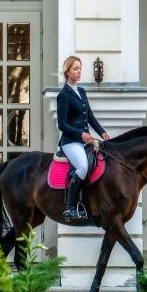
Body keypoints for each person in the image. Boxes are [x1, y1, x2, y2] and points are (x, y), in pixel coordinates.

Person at [57, 56, 110, 222]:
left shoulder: (81, 91)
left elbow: (90, 117)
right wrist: (81, 134)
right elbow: (62, 124)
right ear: (67, 72)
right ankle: (69, 208)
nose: (79, 71)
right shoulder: (63, 95)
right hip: (70, 142)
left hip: (84, 140)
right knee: (83, 167)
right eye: (75, 69)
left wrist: (102, 133)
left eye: (80, 68)